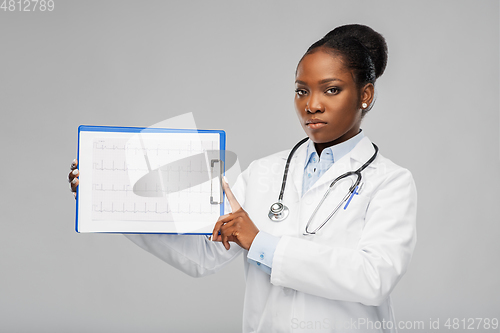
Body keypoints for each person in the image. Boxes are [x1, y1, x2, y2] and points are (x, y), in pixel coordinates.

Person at [68, 24, 417, 332]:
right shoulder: (264, 173)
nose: (311, 105)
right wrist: (110, 203)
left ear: (365, 95)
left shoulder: (390, 182)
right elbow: (204, 255)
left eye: (331, 90)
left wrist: (261, 243)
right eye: (301, 90)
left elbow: (374, 278)